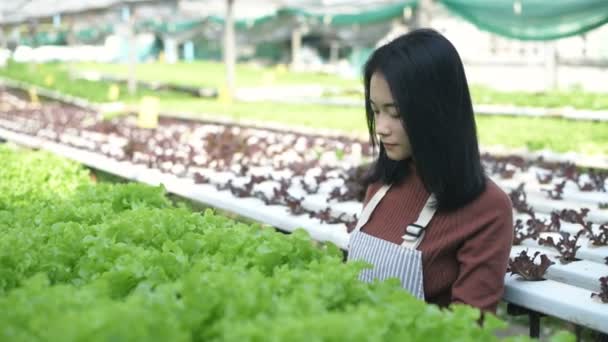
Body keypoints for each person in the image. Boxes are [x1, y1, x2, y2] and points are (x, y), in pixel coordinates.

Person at [347, 28, 513, 314]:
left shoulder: (487, 209)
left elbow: (467, 328)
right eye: (376, 111)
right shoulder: (380, 187)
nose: (382, 127)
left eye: (396, 113)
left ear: (437, 111)